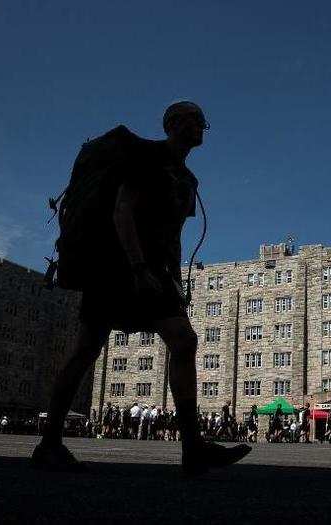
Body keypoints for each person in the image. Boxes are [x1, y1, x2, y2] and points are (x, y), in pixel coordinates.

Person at [31, 102, 251, 473]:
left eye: (202, 121)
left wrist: (176, 281)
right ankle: (49, 441)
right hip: (117, 268)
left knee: (184, 339)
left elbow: (175, 235)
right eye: (192, 119)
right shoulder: (146, 157)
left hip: (158, 274)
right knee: (86, 349)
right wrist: (136, 265)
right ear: (171, 124)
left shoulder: (187, 180)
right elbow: (123, 210)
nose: (199, 126)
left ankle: (192, 448)